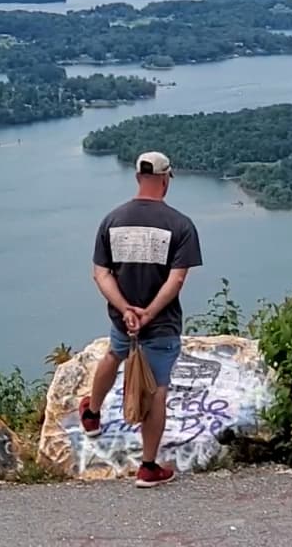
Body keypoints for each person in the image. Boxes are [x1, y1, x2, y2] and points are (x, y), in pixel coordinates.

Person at [81, 151, 203, 488]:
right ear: (166, 179)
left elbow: (101, 274)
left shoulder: (112, 220)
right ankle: (148, 467)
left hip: (124, 323)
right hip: (160, 325)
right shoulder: (180, 225)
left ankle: (91, 414)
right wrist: (148, 313)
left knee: (114, 353)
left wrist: (126, 310)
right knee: (157, 390)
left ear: (137, 178)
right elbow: (175, 280)